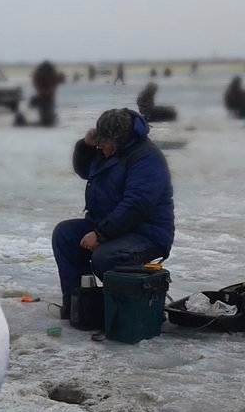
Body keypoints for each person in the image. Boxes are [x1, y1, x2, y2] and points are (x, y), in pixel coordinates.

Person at [52, 108, 175, 318]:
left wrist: (100, 235)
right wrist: (85, 147)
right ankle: (79, 305)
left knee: (105, 257)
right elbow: (85, 171)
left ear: (119, 140)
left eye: (103, 143)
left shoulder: (146, 158)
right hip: (110, 224)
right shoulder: (109, 151)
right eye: (98, 142)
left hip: (146, 233)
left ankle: (126, 311)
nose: (100, 147)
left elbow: (136, 205)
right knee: (65, 234)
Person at [31, 59, 60, 126]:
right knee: (42, 107)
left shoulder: (52, 72)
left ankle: (50, 119)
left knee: (49, 106)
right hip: (42, 92)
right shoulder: (38, 73)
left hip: (49, 92)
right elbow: (36, 82)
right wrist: (40, 91)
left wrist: (50, 91)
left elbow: (55, 82)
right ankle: (44, 119)